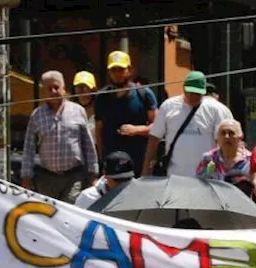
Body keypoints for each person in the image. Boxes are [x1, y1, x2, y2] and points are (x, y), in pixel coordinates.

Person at [20, 70, 98, 202]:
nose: (53, 92)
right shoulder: (37, 115)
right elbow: (29, 148)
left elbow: (88, 145)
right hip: (47, 179)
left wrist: (93, 174)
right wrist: (26, 177)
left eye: (56, 87)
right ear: (44, 92)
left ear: (64, 88)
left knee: (70, 213)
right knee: (49, 217)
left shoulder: (78, 111)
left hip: (74, 177)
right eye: (49, 89)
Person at [144, 70, 232, 178]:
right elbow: (154, 139)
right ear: (184, 88)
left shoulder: (217, 110)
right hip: (175, 177)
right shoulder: (168, 107)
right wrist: (145, 171)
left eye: (198, 93)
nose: (194, 96)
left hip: (207, 178)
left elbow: (226, 143)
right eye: (191, 92)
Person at [95, 51, 157, 175]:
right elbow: (99, 131)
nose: (117, 74)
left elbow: (157, 127)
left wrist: (136, 130)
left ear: (130, 70)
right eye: (114, 70)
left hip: (138, 163)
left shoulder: (144, 94)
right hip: (112, 164)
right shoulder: (102, 97)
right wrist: (101, 160)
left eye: (121, 69)